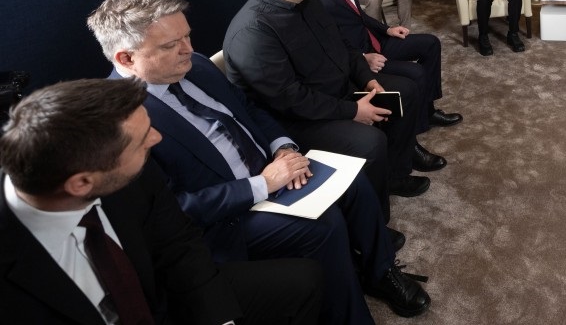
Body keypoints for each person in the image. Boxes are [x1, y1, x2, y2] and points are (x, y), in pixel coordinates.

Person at [87, 0, 430, 322]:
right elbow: (175, 211)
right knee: (324, 226)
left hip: (272, 170)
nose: (188, 49)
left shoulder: (198, 65)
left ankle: (380, 271)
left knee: (352, 182)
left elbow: (249, 109)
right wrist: (262, 184)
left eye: (187, 36)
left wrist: (282, 147)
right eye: (171, 45)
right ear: (126, 58)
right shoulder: (120, 125)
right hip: (227, 218)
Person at [0, 78, 323, 325]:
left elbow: (178, 244)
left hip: (162, 297)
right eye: (143, 140)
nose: (156, 139)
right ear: (82, 183)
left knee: (303, 281)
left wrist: (220, 319)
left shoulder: (130, 170)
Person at [222, 0, 432, 219]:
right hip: (298, 119)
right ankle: (376, 220)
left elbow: (344, 45)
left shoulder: (307, 1)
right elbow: (291, 99)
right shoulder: (253, 32)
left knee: (406, 91)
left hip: (336, 91)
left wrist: (367, 79)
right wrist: (353, 111)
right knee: (370, 142)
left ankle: (394, 174)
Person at [297, 0, 462, 142]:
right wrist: (362, 57)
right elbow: (329, 40)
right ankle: (418, 124)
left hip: (375, 40)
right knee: (415, 74)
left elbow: (357, 15)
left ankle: (428, 111)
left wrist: (387, 29)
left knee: (430, 43)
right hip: (361, 55)